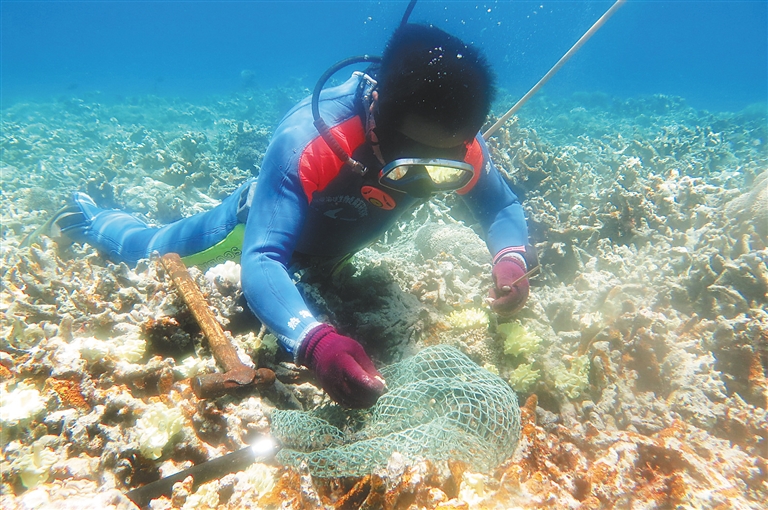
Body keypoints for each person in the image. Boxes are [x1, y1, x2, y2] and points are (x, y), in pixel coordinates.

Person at [38, 24, 532, 408]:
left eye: (443, 167)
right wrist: (313, 341)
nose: (427, 178)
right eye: (411, 163)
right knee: (147, 248)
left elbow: (501, 205)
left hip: (327, 253)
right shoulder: (310, 139)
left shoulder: (456, 144)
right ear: (378, 110)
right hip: (244, 234)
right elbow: (262, 258)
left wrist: (510, 261)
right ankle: (88, 215)